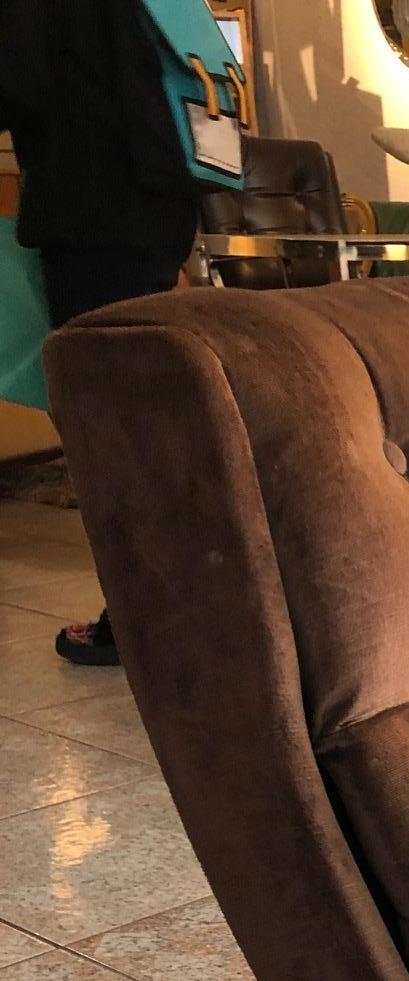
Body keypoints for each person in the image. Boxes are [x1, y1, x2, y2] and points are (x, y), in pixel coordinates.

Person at [0, 0, 197, 665]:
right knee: (155, 418)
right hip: (160, 202)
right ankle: (188, 607)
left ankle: (140, 621)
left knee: (109, 428)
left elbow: (20, 83)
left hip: (89, 212)